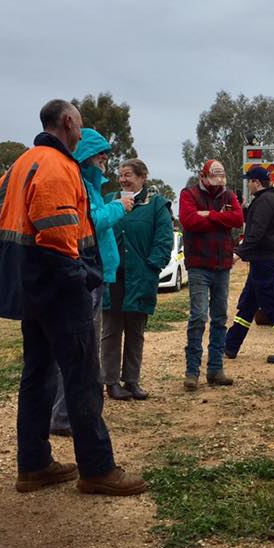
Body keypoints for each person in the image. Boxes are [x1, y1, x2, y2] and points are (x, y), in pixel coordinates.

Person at [0, 99, 146, 495]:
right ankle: (97, 468)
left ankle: (34, 464)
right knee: (83, 376)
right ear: (69, 122)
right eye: (80, 124)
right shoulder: (57, 167)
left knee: (37, 374)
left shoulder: (19, 165)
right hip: (59, 289)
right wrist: (79, 280)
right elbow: (58, 235)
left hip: (32, 288)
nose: (80, 131)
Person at [49, 129, 134, 435]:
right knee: (81, 350)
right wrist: (120, 207)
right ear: (87, 156)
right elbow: (92, 221)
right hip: (87, 273)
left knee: (82, 348)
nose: (105, 161)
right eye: (101, 155)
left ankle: (72, 414)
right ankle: (67, 417)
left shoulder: (90, 185)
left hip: (95, 272)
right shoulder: (81, 185)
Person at [101, 158, 174, 400]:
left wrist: (151, 267)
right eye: (121, 175)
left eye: (128, 175)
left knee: (135, 330)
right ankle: (110, 382)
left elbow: (164, 240)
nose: (123, 179)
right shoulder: (111, 200)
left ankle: (131, 380)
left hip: (140, 278)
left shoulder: (157, 205)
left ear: (142, 177)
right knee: (111, 330)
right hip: (113, 276)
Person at [224, 165, 274, 364]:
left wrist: (238, 254)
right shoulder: (267, 200)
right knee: (248, 304)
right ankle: (230, 346)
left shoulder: (264, 202)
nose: (248, 184)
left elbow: (256, 233)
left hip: (265, 260)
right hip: (263, 259)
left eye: (249, 181)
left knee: (272, 304)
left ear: (256, 182)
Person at [178, 159, 244, 390]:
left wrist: (210, 215)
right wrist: (217, 220)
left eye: (221, 177)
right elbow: (188, 221)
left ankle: (215, 369)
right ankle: (192, 372)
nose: (218, 182)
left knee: (219, 317)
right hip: (198, 265)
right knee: (198, 316)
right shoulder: (188, 194)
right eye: (214, 177)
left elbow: (238, 219)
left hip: (222, 265)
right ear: (203, 177)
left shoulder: (228, 196)